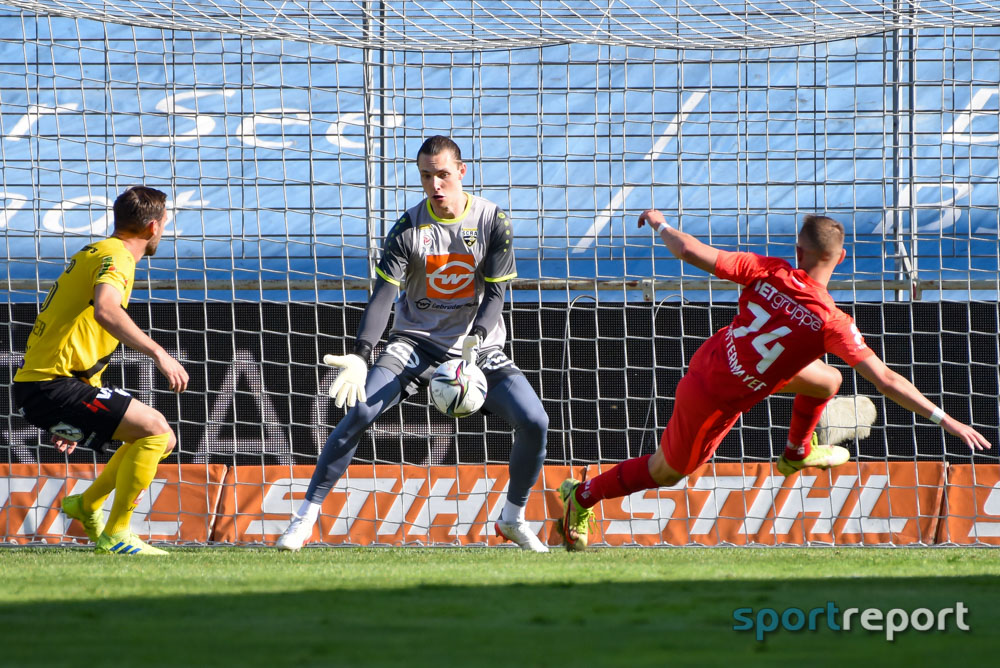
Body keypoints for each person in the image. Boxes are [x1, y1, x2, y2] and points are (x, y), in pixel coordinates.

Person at [556, 209, 993, 550]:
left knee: (827, 382)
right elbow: (885, 379)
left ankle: (796, 453)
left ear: (799, 252)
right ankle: (583, 496)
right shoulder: (833, 322)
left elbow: (688, 250)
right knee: (668, 472)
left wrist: (660, 224)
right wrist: (947, 420)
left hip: (718, 357)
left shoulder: (770, 269)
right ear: (840, 258)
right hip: (714, 397)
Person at [276, 135, 549, 552]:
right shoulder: (408, 229)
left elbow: (495, 296)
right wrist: (361, 355)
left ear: (461, 171)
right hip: (416, 343)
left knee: (535, 421)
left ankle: (512, 518)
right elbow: (384, 296)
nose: (435, 185)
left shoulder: (494, 222)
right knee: (360, 410)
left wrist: (473, 349)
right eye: (426, 176)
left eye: (442, 174)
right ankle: (304, 520)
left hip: (479, 348)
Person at [13, 186, 189, 555]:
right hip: (50, 385)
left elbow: (78, 334)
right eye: (166, 226)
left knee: (159, 439)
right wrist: (159, 353)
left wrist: (75, 413)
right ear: (153, 226)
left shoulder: (96, 251)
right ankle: (117, 533)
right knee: (156, 431)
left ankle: (87, 504)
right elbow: (106, 310)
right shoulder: (118, 257)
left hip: (52, 385)